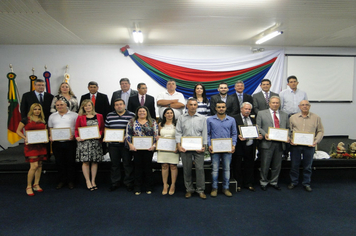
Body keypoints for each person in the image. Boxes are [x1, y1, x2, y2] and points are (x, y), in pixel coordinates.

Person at [288, 100, 324, 192]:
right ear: (299, 106)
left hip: (309, 146)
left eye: (306, 105)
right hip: (295, 145)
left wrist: (316, 141)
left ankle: (306, 183)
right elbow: (289, 130)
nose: (305, 106)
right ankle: (294, 182)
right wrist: (290, 140)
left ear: (309, 106)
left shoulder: (316, 117)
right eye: (302, 105)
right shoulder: (293, 117)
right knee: (294, 165)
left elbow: (320, 131)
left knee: (308, 166)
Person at [176, 98, 207, 199]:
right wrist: (179, 145)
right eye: (191, 104)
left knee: (200, 169)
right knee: (187, 169)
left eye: (195, 105)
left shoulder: (202, 118)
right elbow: (178, 132)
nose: (193, 106)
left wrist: (204, 146)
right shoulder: (181, 118)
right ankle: (189, 189)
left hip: (198, 148)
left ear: (197, 106)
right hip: (185, 148)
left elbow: (205, 133)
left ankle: (200, 190)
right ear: (187, 106)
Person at [257, 96, 289, 191]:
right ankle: (263, 182)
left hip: (280, 143)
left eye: (277, 103)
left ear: (279, 104)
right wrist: (264, 134)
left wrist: (288, 136)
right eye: (273, 102)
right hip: (267, 142)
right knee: (265, 164)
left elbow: (288, 128)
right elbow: (258, 126)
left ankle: (274, 182)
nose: (275, 104)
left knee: (277, 165)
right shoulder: (261, 113)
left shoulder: (284, 114)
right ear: (269, 103)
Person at [16, 103, 48, 196]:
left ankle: (36, 184)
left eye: (39, 109)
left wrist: (46, 138)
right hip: (31, 146)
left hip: (41, 145)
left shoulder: (43, 120)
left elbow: (44, 131)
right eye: (35, 109)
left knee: (39, 165)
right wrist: (24, 137)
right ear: (31, 110)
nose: (37, 111)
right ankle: (28, 186)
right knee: (33, 166)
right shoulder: (26, 120)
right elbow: (18, 131)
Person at [207, 101, 237, 197]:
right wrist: (209, 145)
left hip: (227, 149)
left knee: (226, 169)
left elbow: (234, 134)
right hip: (214, 149)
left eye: (223, 107)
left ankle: (226, 188)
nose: (221, 109)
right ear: (215, 108)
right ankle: (214, 188)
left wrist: (233, 145)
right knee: (215, 169)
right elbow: (207, 134)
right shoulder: (210, 120)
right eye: (219, 107)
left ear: (225, 108)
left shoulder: (231, 120)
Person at [126, 106, 158, 195]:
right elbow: (128, 134)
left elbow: (156, 135)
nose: (142, 113)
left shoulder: (153, 122)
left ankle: (149, 187)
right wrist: (130, 145)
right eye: (140, 111)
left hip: (149, 149)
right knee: (137, 168)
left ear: (147, 112)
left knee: (148, 167)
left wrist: (154, 145)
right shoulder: (132, 122)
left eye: (143, 111)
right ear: (137, 113)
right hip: (136, 149)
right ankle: (137, 187)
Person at [105, 98, 135, 192]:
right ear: (114, 106)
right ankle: (115, 183)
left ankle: (128, 183)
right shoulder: (109, 115)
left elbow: (134, 130)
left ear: (124, 105)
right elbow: (106, 128)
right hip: (113, 145)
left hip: (126, 145)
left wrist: (126, 138)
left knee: (127, 164)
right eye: (117, 104)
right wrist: (107, 138)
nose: (119, 106)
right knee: (115, 165)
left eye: (121, 104)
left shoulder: (132, 115)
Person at [232, 102, 263, 192]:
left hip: (250, 145)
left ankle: (248, 183)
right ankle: (238, 184)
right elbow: (232, 130)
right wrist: (238, 135)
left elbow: (255, 131)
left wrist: (259, 136)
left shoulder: (253, 120)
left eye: (249, 109)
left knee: (249, 165)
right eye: (246, 109)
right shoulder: (235, 118)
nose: (247, 111)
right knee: (237, 165)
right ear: (241, 109)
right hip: (239, 146)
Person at [48, 100, 78, 190]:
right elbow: (50, 128)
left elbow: (78, 127)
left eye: (61, 104)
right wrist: (50, 136)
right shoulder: (52, 116)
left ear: (66, 105)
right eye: (57, 105)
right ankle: (62, 181)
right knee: (59, 162)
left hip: (70, 142)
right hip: (57, 143)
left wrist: (74, 136)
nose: (59, 106)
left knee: (71, 162)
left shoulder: (74, 115)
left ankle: (71, 181)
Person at [75, 99, 105, 191]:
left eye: (89, 105)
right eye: (85, 106)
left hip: (95, 142)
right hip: (84, 143)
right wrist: (77, 137)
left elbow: (102, 128)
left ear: (92, 106)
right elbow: (76, 129)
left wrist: (99, 134)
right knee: (86, 162)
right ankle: (87, 181)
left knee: (94, 162)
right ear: (83, 107)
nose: (87, 107)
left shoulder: (99, 116)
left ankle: (93, 181)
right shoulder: (80, 117)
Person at [157, 108, 179, 195]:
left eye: (171, 113)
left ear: (173, 115)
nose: (169, 114)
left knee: (173, 166)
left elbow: (179, 136)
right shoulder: (160, 124)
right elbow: (158, 135)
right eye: (167, 113)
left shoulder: (177, 124)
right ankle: (165, 185)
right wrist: (157, 137)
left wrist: (178, 146)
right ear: (164, 115)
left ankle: (173, 185)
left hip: (173, 148)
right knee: (164, 166)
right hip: (163, 148)